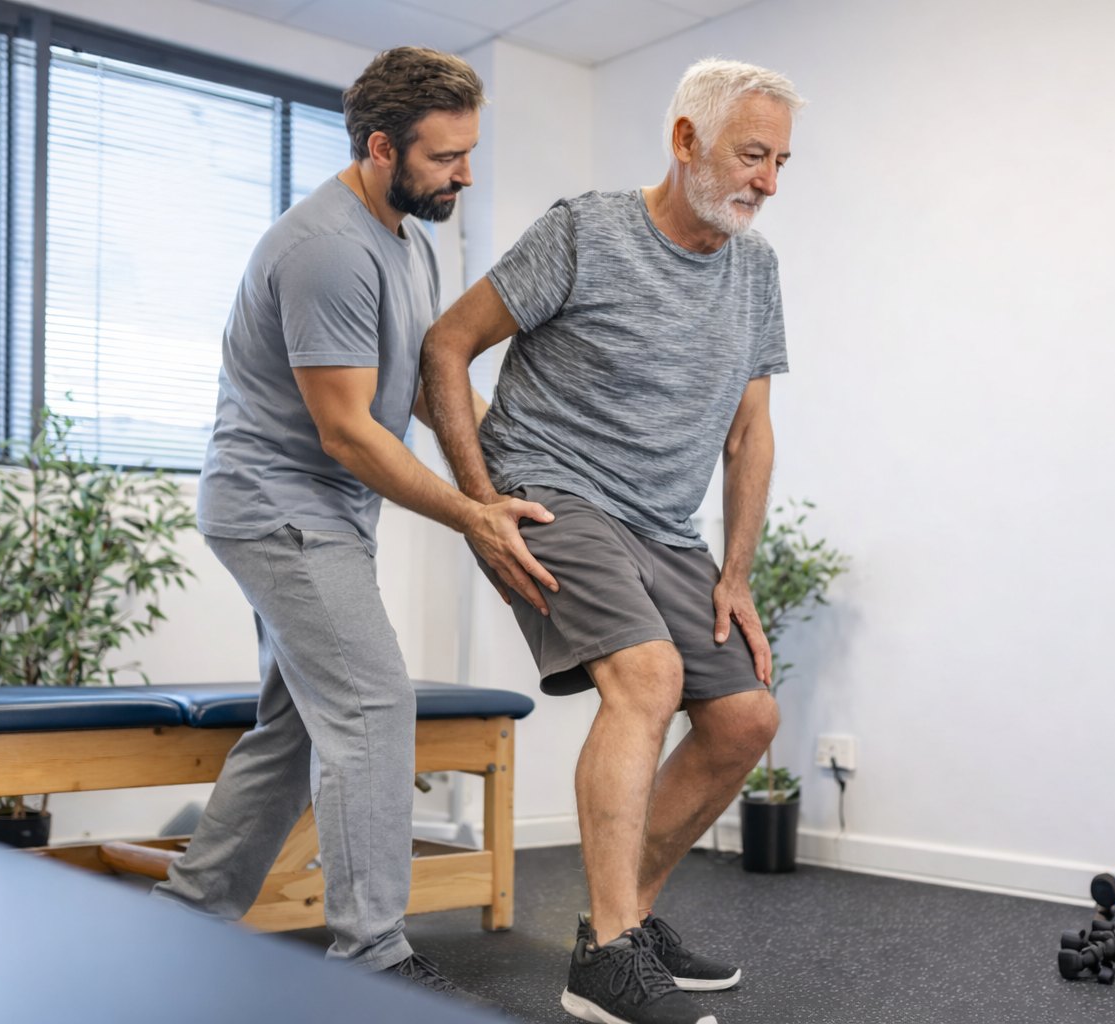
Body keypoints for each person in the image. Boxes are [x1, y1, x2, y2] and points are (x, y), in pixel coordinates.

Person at [151, 47, 557, 1004]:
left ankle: (184, 920)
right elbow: (344, 432)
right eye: (446, 157)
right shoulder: (325, 247)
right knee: (375, 704)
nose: (463, 175)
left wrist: (506, 470)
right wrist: (471, 517)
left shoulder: (410, 237)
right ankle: (372, 963)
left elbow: (414, 385)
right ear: (382, 147)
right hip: (279, 507)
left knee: (295, 733)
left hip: (324, 507)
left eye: (469, 153)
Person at [422, 57, 803, 1024]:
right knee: (647, 675)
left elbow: (749, 430)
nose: (768, 181)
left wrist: (739, 576)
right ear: (686, 142)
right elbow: (445, 347)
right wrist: (479, 502)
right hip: (548, 487)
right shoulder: (585, 231)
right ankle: (609, 961)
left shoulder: (756, 269)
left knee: (746, 719)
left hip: (658, 523)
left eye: (780, 162)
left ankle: (624, 917)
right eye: (751, 155)